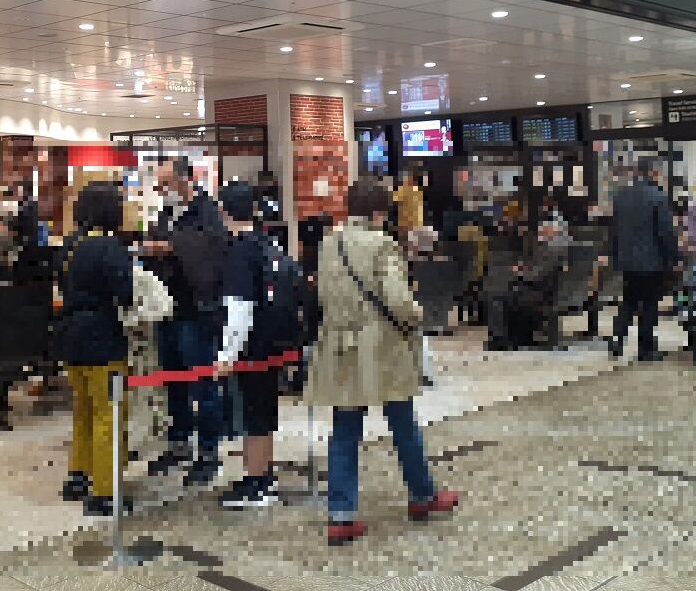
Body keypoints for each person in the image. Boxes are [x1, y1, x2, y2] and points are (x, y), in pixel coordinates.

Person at [306, 177, 459, 546]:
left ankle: (341, 514)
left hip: (340, 345)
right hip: (382, 347)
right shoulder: (383, 244)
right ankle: (422, 496)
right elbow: (398, 299)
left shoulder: (329, 244)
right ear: (379, 212)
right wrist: (416, 315)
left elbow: (322, 294)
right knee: (402, 423)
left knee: (344, 429)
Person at [213, 181, 303, 509]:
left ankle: (257, 484)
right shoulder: (267, 242)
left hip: (252, 348)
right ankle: (262, 475)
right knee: (263, 412)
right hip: (273, 342)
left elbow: (239, 309)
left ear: (224, 212)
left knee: (254, 416)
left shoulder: (239, 250)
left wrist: (226, 355)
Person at [142, 159, 228, 487]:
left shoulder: (207, 211)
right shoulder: (166, 213)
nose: (162, 190)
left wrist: (172, 247)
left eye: (166, 183)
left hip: (197, 311)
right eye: (159, 184)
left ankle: (208, 451)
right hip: (167, 308)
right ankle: (179, 442)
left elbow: (212, 249)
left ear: (185, 179)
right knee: (172, 380)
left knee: (202, 384)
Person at [53, 181, 134, 516]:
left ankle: (78, 475)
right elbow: (125, 294)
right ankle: (104, 491)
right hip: (103, 338)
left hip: (70, 336)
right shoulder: (110, 248)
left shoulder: (69, 245)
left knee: (83, 409)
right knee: (108, 414)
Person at [608, 159, 679, 362]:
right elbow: (665, 232)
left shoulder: (621, 196)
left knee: (629, 301)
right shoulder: (658, 197)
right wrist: (674, 257)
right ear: (653, 173)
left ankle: (617, 339)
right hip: (651, 261)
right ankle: (646, 348)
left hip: (627, 261)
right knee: (649, 304)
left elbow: (613, 231)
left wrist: (614, 255)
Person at [505, 218, 570, 349]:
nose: (539, 232)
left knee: (511, 298)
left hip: (544, 293)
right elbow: (537, 266)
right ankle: (524, 335)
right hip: (551, 290)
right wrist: (524, 268)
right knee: (514, 293)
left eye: (543, 230)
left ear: (552, 231)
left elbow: (536, 275)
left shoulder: (551, 249)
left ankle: (519, 339)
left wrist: (520, 272)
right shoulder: (555, 247)